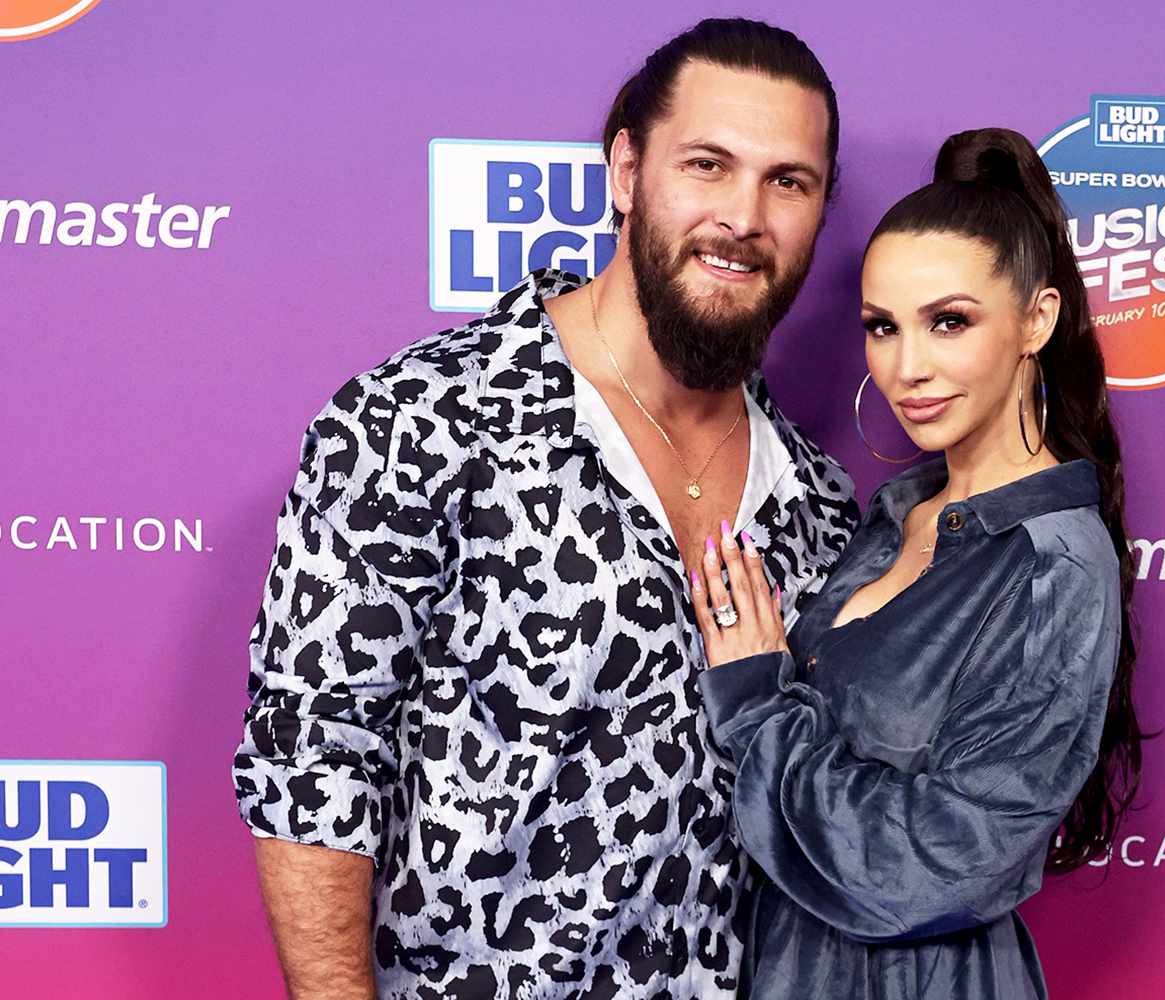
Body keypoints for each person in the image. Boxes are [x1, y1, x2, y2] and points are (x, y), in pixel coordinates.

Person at [231, 19, 860, 1000]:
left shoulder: (819, 503)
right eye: (708, 164)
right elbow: (312, 760)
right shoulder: (420, 417)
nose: (745, 215)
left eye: (789, 181)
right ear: (626, 171)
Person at [689, 127, 1145, 998]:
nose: (908, 368)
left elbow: (938, 861)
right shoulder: (898, 513)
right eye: (882, 328)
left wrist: (756, 708)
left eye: (949, 323)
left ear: (1036, 320)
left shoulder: (1055, 568)